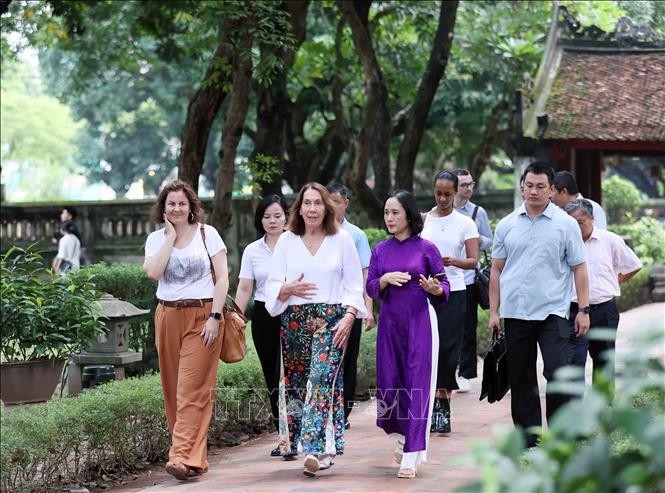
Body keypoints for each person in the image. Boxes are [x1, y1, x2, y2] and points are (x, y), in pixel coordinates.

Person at [265, 182, 366, 477]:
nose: (312, 209)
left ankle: (312, 447)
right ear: (299, 208)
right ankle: (325, 449)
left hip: (332, 319)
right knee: (300, 385)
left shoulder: (342, 239)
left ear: (327, 207)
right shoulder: (286, 241)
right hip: (294, 321)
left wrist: (349, 316)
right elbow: (271, 284)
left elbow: (353, 285)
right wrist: (286, 288)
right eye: (307, 203)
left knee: (321, 379)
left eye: (318, 203)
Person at [488, 162, 591, 448]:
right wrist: (494, 311)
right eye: (529, 185)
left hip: (553, 313)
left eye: (540, 186)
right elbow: (496, 270)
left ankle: (558, 438)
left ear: (551, 190)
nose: (533, 191)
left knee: (557, 373)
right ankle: (529, 441)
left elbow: (580, 268)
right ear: (522, 187)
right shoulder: (507, 225)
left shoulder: (566, 224)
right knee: (521, 378)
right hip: (516, 313)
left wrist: (583, 310)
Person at [143, 180, 229, 480]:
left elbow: (222, 279)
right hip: (167, 315)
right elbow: (154, 273)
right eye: (171, 204)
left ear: (192, 206)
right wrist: (169, 237)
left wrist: (215, 317)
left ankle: (179, 455)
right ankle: (194, 460)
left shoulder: (208, 234)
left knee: (191, 390)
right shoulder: (156, 239)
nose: (177, 208)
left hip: (202, 315)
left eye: (182, 203)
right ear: (163, 208)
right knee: (173, 390)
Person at [366, 190, 450, 479]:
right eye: (386, 213)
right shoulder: (380, 250)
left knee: (416, 383)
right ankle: (402, 436)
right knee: (390, 384)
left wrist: (434, 289)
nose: (389, 218)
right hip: (390, 326)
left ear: (409, 215)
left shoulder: (427, 248)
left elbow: (444, 287)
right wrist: (385, 280)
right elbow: (371, 288)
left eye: (395, 213)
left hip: (419, 323)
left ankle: (412, 455)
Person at [421, 170, 479, 433]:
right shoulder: (423, 221)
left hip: (454, 291)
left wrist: (451, 261)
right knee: (427, 348)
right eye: (439, 193)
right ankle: (429, 405)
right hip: (425, 291)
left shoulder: (465, 223)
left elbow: (473, 260)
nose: (443, 198)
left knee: (447, 349)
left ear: (456, 193)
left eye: (448, 194)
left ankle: (443, 406)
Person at [564, 198, 642, 390]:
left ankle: (605, 407)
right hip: (574, 311)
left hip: (604, 310)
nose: (575, 228)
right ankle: (576, 409)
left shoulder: (610, 240)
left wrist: (614, 281)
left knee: (604, 361)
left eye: (579, 222)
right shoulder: (565, 243)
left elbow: (634, 265)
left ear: (592, 218)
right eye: (571, 223)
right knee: (574, 360)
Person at [234, 194, 289, 457]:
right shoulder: (252, 250)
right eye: (267, 217)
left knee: (295, 373)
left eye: (277, 215)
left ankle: (302, 431)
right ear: (260, 220)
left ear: (286, 217)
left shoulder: (296, 244)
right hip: (264, 314)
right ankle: (283, 436)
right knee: (272, 375)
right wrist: (236, 316)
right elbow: (245, 287)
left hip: (294, 313)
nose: (272, 221)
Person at [326, 181, 374, 429]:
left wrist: (368, 308)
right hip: (323, 309)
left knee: (348, 360)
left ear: (346, 203)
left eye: (337, 201)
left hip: (350, 309)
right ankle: (324, 411)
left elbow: (366, 273)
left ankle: (342, 413)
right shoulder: (314, 233)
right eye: (328, 200)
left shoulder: (355, 235)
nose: (332, 206)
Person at [452, 169, 493, 393]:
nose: (468, 188)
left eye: (471, 184)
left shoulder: (478, 212)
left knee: (468, 327)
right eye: (464, 184)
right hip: (445, 278)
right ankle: (449, 368)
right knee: (448, 326)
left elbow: (491, 242)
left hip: (468, 277)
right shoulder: (442, 210)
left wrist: (477, 239)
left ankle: (465, 372)